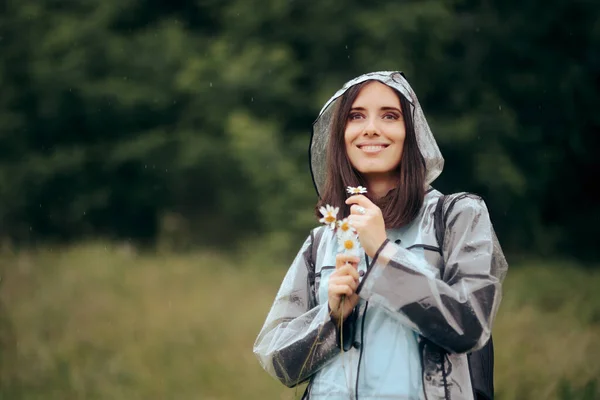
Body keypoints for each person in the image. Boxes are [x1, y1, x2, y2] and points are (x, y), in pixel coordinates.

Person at [253, 71, 508, 400]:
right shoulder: (322, 241)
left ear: (411, 133)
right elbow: (280, 362)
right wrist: (331, 317)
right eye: (356, 116)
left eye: (390, 115)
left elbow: (470, 326)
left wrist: (385, 255)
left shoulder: (458, 215)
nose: (370, 128)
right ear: (341, 134)